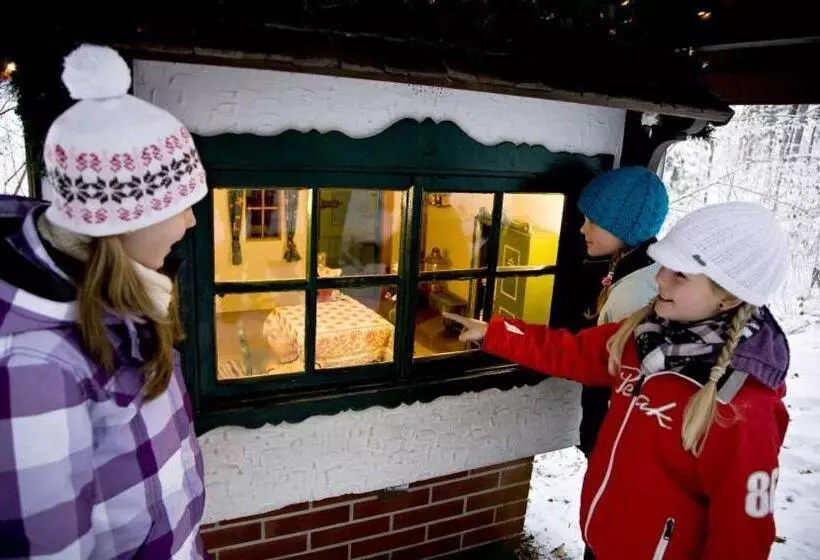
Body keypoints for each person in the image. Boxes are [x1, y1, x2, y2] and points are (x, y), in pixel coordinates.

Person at [445, 201, 790, 559]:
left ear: (730, 296)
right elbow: (571, 351)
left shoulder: (742, 406)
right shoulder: (643, 336)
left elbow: (742, 536)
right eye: (664, 267)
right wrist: (494, 333)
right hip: (602, 542)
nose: (659, 279)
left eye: (680, 275)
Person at [0, 44, 208, 558]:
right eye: (179, 207)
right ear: (122, 220)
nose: (191, 222)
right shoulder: (33, 364)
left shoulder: (124, 294)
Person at [573, 166, 669, 460]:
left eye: (593, 222)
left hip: (614, 438)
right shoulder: (638, 268)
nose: (582, 229)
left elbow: (618, 373)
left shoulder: (635, 291)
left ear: (623, 227)